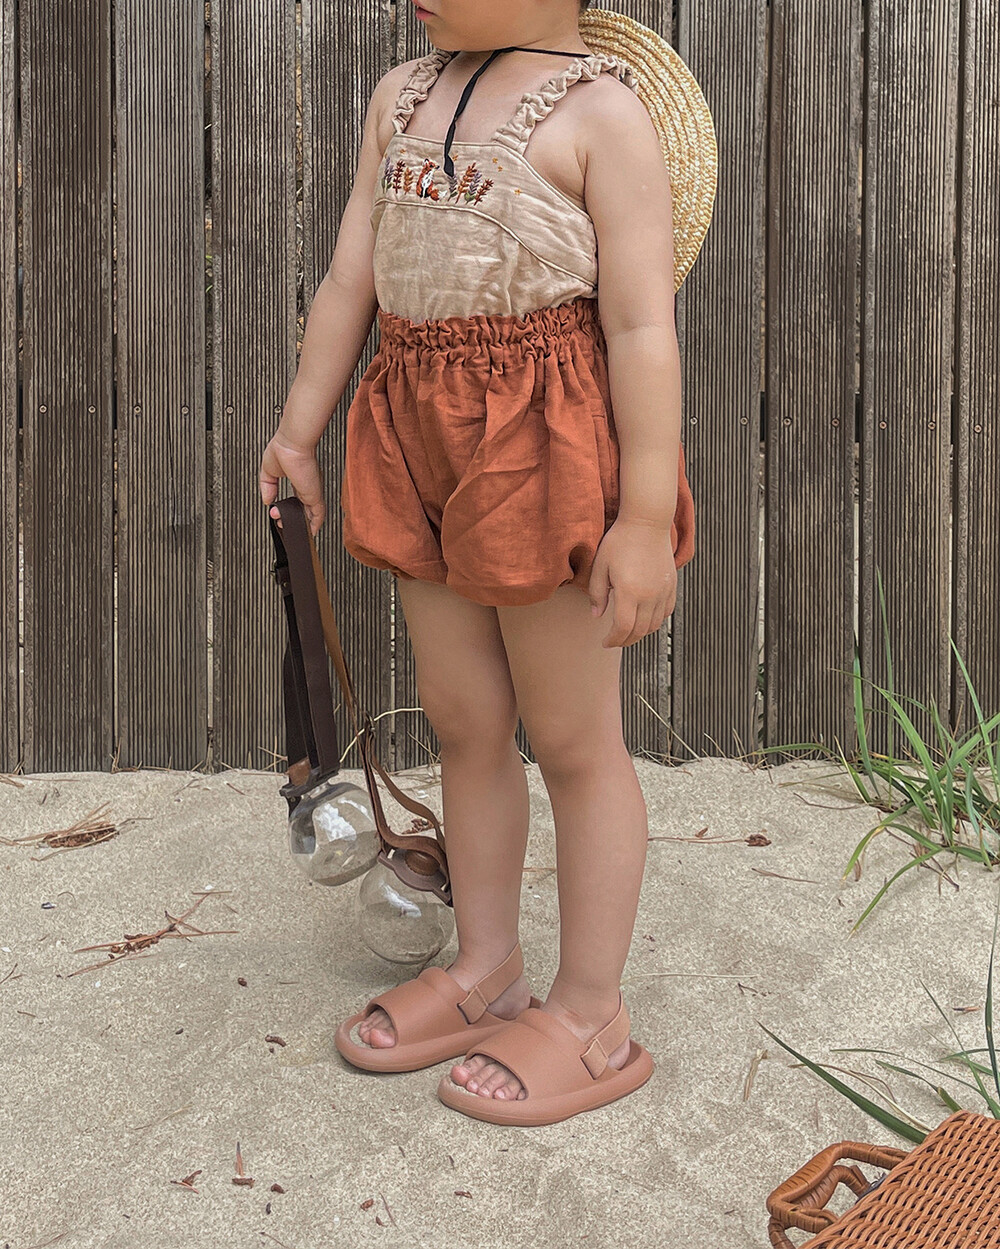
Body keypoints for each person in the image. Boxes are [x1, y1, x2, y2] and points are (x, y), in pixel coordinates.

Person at [258, 0, 698, 1127]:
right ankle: (488, 966)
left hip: (543, 438)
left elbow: (641, 327)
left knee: (573, 738)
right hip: (418, 429)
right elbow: (350, 276)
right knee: (463, 717)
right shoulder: (401, 95)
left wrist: (644, 515)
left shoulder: (602, 116)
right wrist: (301, 430)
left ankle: (591, 1011)